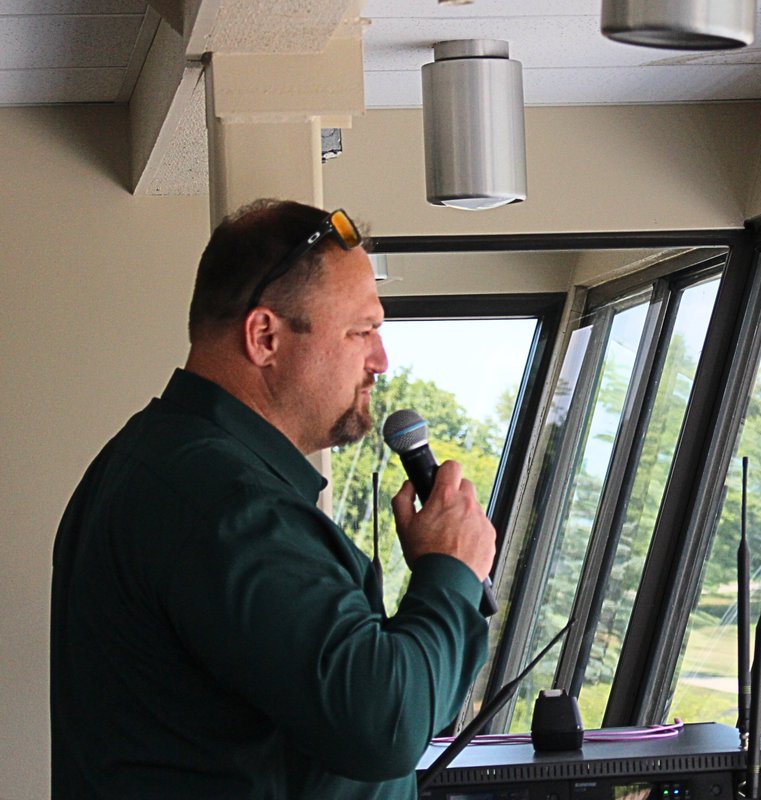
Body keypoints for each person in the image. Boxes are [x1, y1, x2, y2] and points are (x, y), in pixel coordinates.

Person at [50, 199, 496, 798]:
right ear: (265, 336)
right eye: (361, 332)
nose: (381, 361)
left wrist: (448, 590)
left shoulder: (151, 462)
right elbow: (384, 727)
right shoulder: (226, 508)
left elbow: (406, 711)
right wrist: (449, 573)